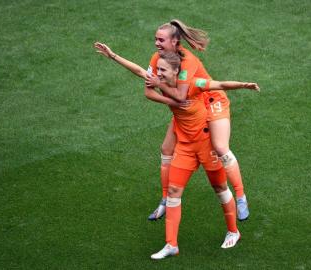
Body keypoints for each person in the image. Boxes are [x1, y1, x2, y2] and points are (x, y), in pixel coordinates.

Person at [94, 19, 250, 221]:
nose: (156, 43)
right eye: (155, 39)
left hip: (210, 101)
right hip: (188, 109)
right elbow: (147, 83)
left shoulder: (188, 61)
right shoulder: (158, 58)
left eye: (161, 40)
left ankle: (240, 196)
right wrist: (113, 56)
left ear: (175, 42)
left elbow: (181, 96)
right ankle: (165, 199)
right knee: (166, 149)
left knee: (220, 147)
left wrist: (164, 89)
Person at [149, 52, 258, 259]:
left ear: (176, 71)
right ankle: (171, 244)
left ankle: (234, 231)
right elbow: (140, 72)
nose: (158, 72)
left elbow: (220, 84)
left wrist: (244, 85)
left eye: (162, 70)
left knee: (219, 187)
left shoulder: (193, 83)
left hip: (206, 145)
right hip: (185, 147)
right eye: (158, 69)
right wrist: (113, 56)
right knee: (174, 190)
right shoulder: (163, 85)